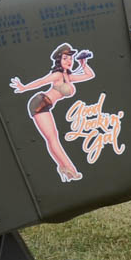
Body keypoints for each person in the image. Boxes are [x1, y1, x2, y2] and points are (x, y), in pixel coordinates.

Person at [9, 43, 95, 182]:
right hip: (40, 103)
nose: (69, 61)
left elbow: (89, 75)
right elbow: (41, 81)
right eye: (65, 58)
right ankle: (71, 170)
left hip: (46, 105)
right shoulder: (57, 75)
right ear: (59, 60)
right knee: (53, 139)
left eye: (70, 58)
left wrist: (83, 63)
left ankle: (63, 168)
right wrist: (23, 87)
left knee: (52, 138)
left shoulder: (68, 76)